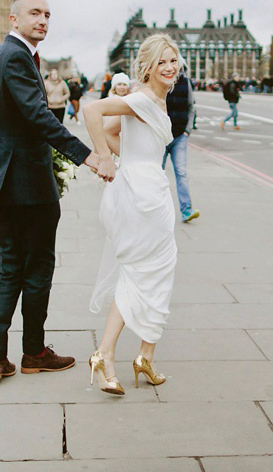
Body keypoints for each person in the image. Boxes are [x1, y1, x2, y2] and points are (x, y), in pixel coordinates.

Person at [0, 0, 114, 382]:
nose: (43, 20)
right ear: (13, 19)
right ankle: (35, 352)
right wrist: (87, 156)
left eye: (48, 15)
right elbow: (39, 116)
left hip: (0, 181)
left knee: (9, 267)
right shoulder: (16, 57)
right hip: (28, 185)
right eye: (35, 13)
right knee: (37, 267)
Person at [82, 33, 180, 396]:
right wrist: (105, 158)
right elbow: (93, 111)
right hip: (145, 196)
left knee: (151, 271)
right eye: (162, 62)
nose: (169, 67)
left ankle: (140, 357)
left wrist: (130, 159)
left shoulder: (151, 99)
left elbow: (110, 130)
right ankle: (112, 354)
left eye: (173, 60)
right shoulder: (145, 98)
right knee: (147, 272)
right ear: (149, 67)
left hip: (143, 185)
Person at [164, 59, 199, 223]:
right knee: (157, 172)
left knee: (181, 172)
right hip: (162, 137)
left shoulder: (186, 83)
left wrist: (187, 131)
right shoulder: (161, 82)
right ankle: (157, 210)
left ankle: (186, 210)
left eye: (177, 66)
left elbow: (191, 106)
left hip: (179, 137)